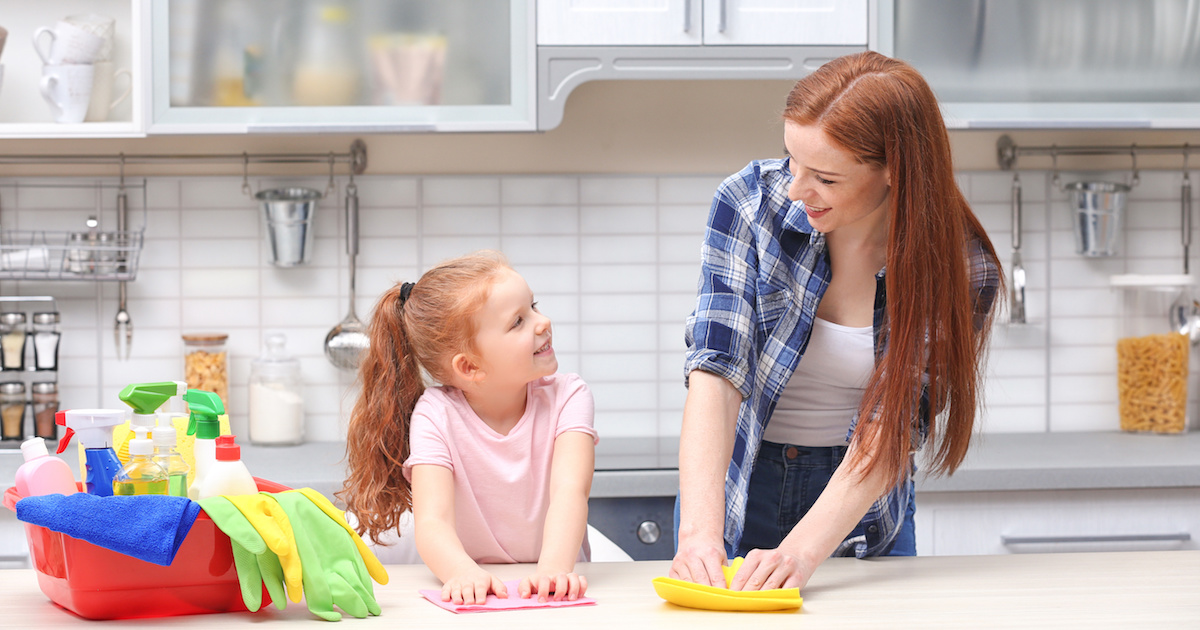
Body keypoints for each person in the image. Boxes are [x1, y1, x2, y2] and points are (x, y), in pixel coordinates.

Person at [670, 51, 1002, 592]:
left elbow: (893, 426)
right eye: (791, 160)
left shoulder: (963, 268)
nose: (796, 189)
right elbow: (716, 371)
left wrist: (801, 553)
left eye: (824, 177)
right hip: (735, 482)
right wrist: (698, 536)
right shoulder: (749, 204)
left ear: (895, 170)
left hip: (859, 508)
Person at [338, 251, 597, 605]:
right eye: (518, 321)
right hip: (484, 590)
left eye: (534, 306)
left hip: (556, 585)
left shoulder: (569, 395)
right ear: (470, 366)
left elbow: (571, 492)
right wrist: (461, 572)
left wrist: (553, 570)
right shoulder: (436, 414)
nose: (543, 322)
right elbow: (433, 522)